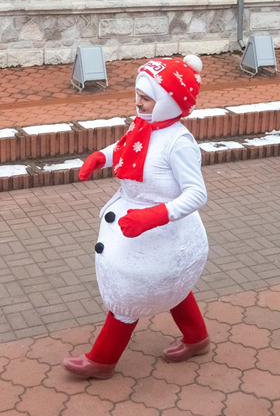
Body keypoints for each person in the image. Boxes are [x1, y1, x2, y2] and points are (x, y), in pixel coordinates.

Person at [62, 55, 210, 379]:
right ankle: (197, 338)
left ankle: (101, 361)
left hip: (165, 234)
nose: (138, 102)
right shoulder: (143, 125)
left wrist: (155, 216)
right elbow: (128, 148)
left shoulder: (179, 142)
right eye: (138, 95)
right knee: (173, 286)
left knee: (129, 293)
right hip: (136, 224)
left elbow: (197, 193)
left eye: (146, 98)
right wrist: (102, 156)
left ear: (169, 102)